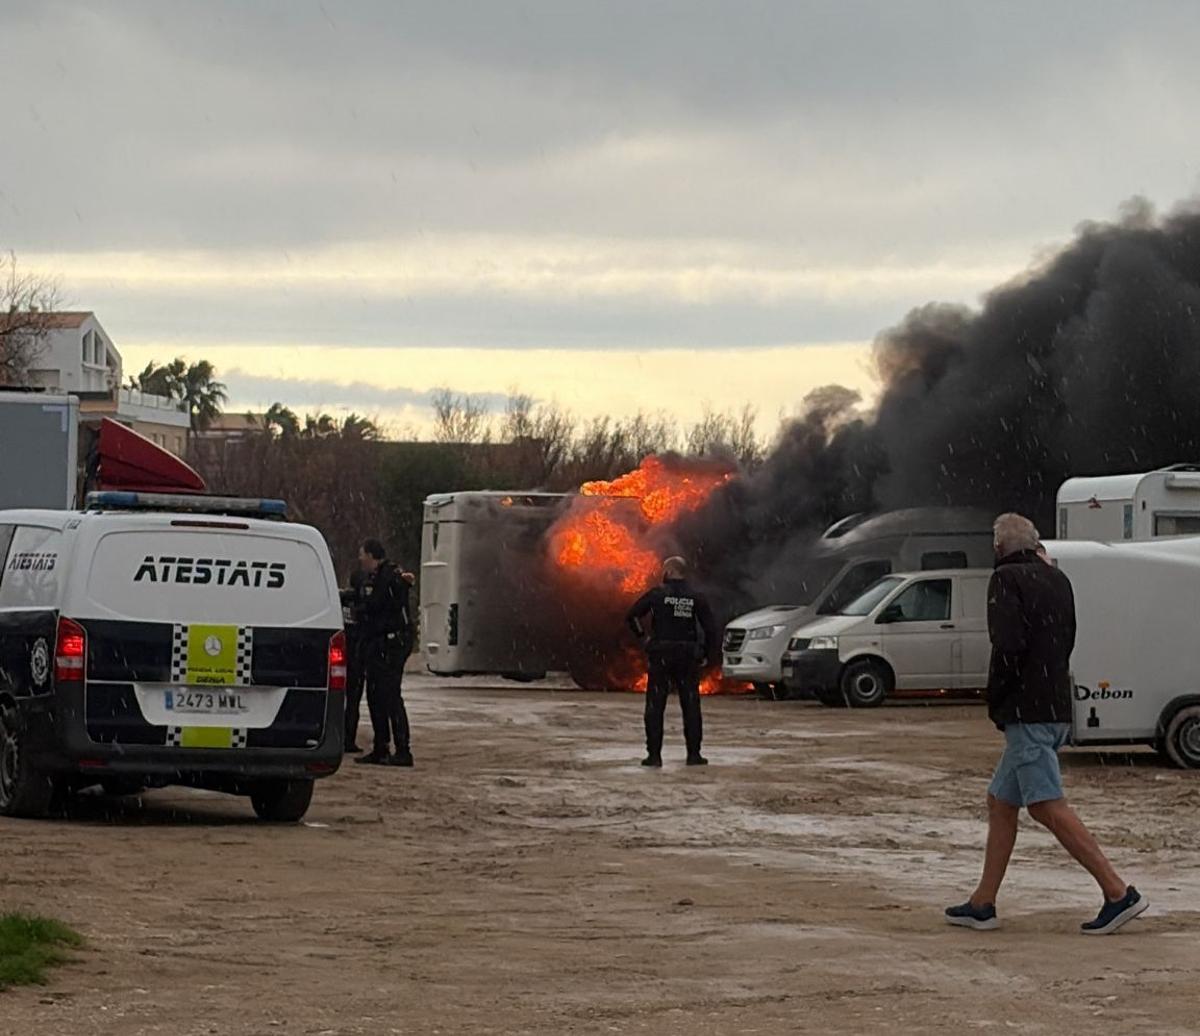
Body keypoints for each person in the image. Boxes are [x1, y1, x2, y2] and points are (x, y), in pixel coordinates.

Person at [945, 513, 1147, 935]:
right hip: (1055, 705)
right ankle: (983, 903)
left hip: (1027, 712)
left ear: (999, 548)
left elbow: (1008, 646)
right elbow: (1065, 638)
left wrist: (997, 697)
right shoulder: (1059, 579)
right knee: (1002, 804)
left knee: (1044, 804)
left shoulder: (1005, 581)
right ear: (1036, 544)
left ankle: (1117, 892)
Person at [625, 556, 719, 767]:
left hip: (661, 655)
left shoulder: (657, 594)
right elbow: (710, 628)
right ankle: (694, 755)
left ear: (669, 572)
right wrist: (705, 653)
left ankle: (654, 756)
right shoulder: (696, 597)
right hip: (687, 656)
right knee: (691, 706)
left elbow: (632, 616)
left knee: (655, 707)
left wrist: (644, 639)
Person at [354, 539, 416, 767]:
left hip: (392, 644)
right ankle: (381, 747)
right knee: (374, 695)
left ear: (372, 555)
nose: (360, 559)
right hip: (378, 644)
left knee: (390, 695)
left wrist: (363, 610)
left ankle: (403, 750)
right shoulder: (375, 578)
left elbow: (380, 606)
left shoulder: (389, 577)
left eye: (362, 554)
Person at [339, 567, 369, 753]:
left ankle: (340, 737)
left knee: (342, 700)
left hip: (342, 655)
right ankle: (348, 739)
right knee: (353, 701)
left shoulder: (341, 600)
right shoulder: (365, 604)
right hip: (357, 655)